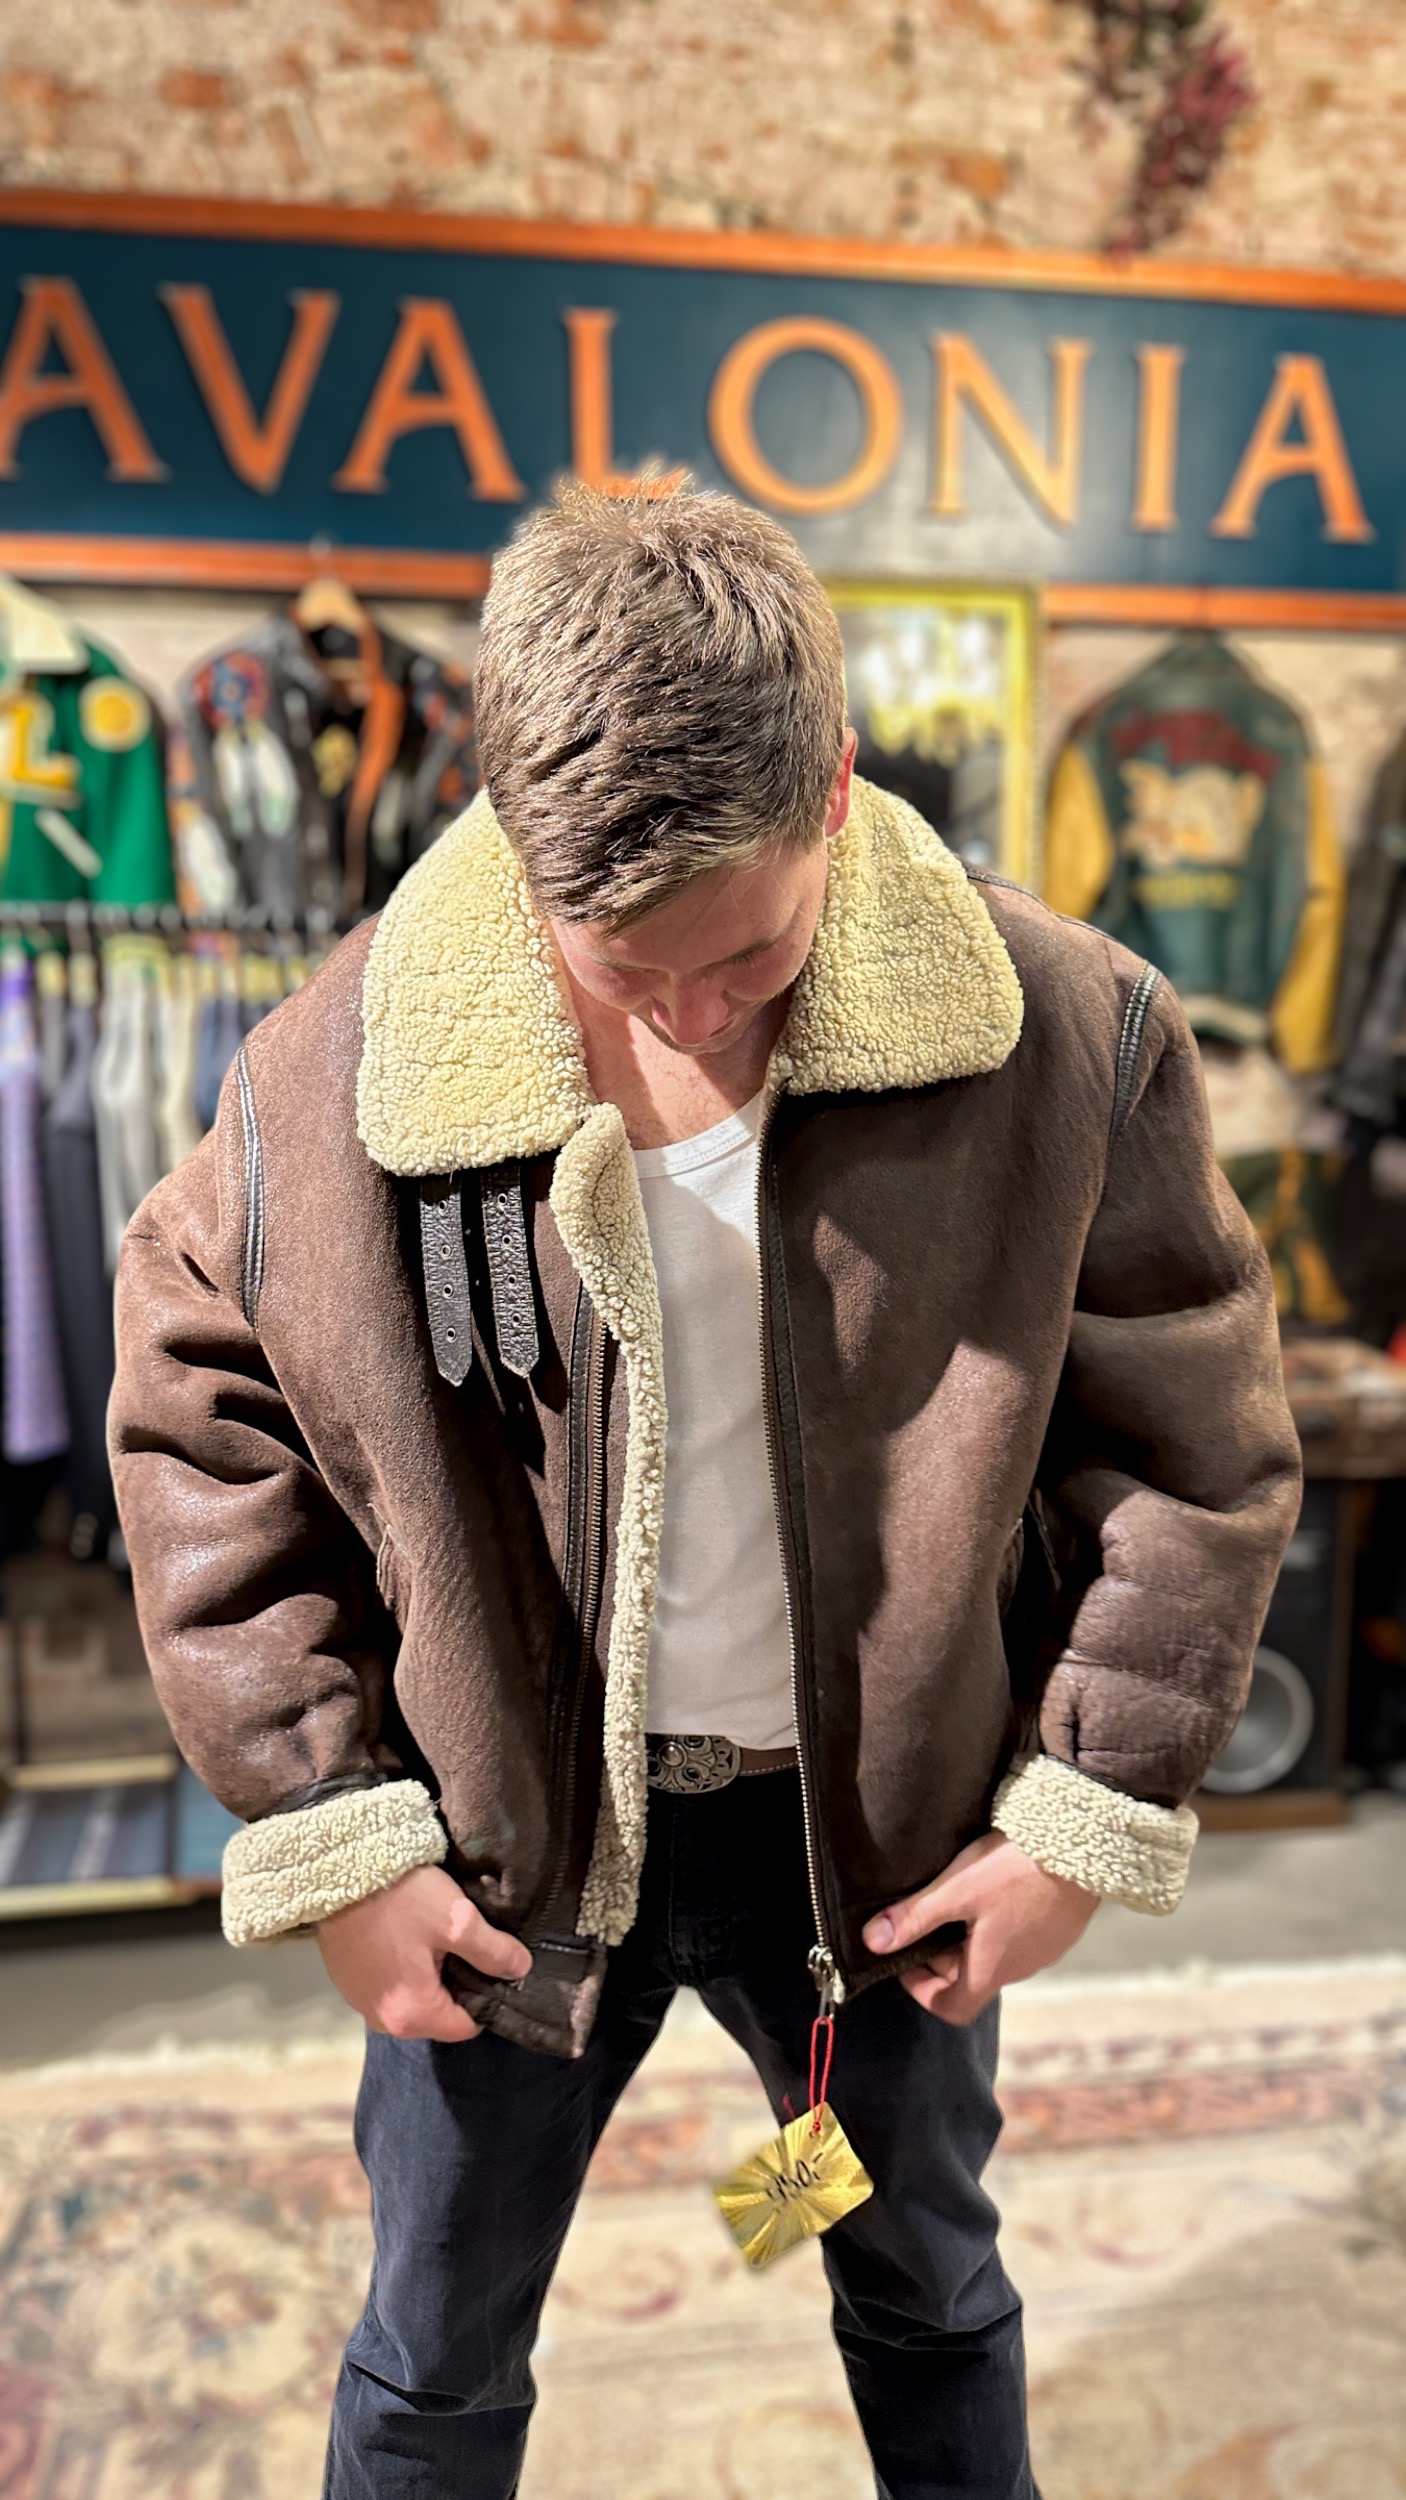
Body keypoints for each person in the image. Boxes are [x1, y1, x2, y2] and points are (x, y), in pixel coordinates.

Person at [110, 485, 1301, 2500]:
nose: (684, 1012)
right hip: (504, 1848)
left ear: (832, 789)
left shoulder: (1064, 1034)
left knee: (932, 2291)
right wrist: (326, 1823)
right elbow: (198, 1416)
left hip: (885, 1840)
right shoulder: (336, 1073)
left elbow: (1190, 1437)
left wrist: (1086, 1804)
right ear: (515, 849)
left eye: (744, 950)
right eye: (618, 963)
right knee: (431, 2346)